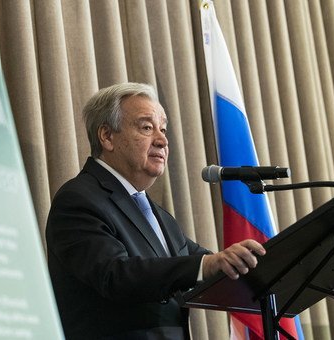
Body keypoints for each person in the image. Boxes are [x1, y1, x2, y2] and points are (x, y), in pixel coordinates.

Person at [45, 82, 266, 340]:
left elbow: (202, 263)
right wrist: (208, 264)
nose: (162, 140)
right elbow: (116, 275)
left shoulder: (158, 215)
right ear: (107, 136)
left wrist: (249, 265)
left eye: (163, 129)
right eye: (147, 127)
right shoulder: (78, 199)